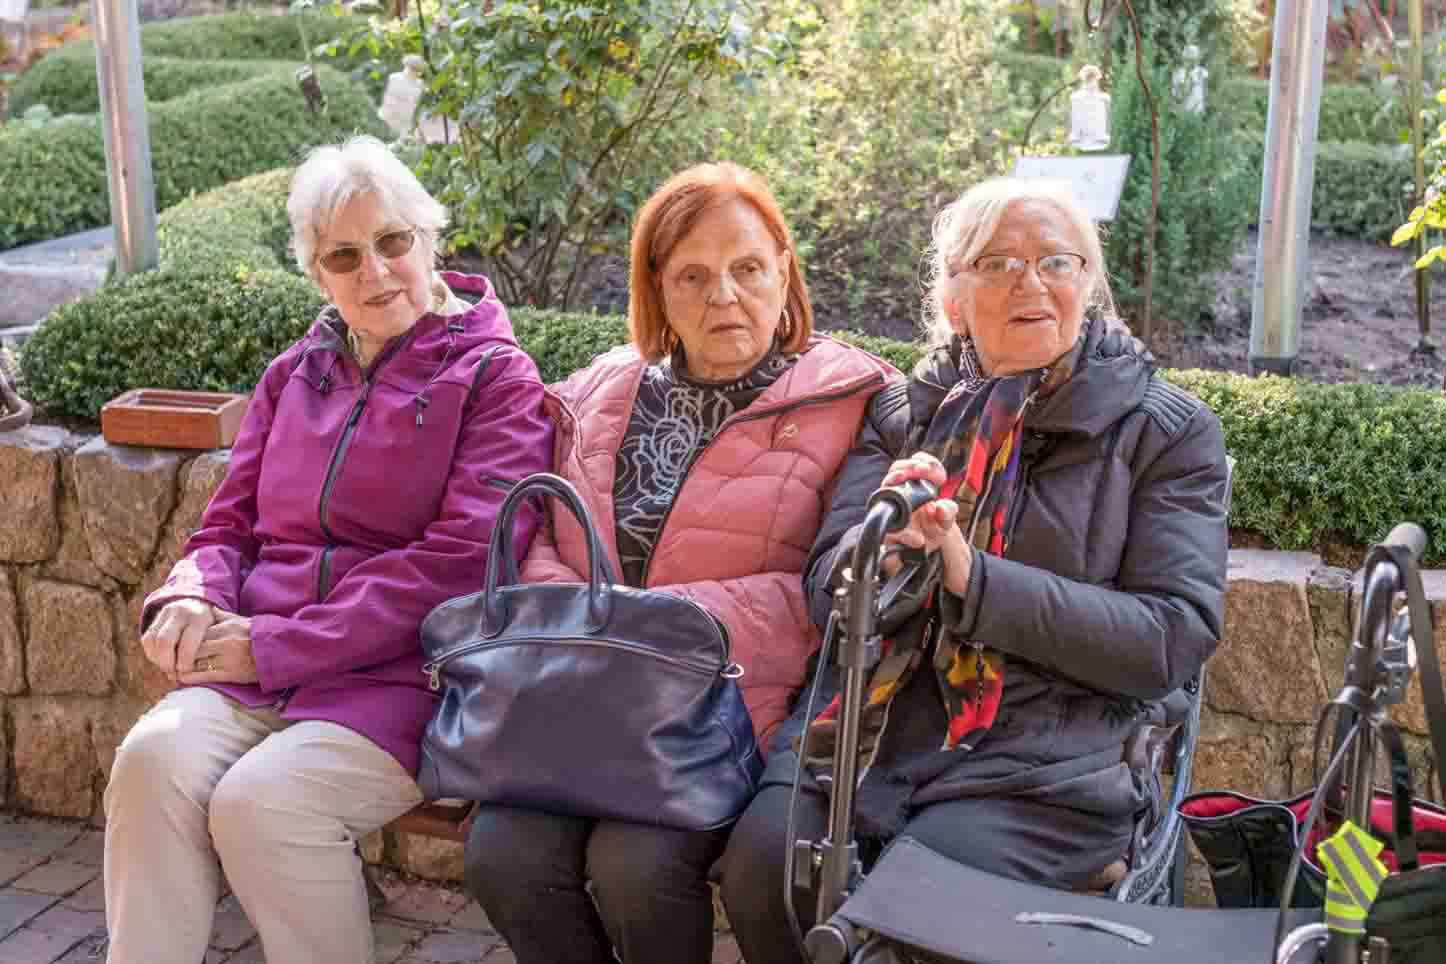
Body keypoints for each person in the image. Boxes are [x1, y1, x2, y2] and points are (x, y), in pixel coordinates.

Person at [717, 176, 1232, 964]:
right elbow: (830, 593)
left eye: (1057, 261)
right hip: (864, 731)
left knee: (914, 920)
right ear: (953, 300)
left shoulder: (1165, 431)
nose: (1032, 282)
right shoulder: (904, 412)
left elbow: (1169, 639)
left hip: (1045, 765)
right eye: (998, 264)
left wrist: (970, 577)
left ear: (1087, 287)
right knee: (763, 873)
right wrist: (884, 553)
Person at [103, 135, 555, 964]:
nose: (374, 271)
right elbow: (226, 526)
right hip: (259, 664)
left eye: (392, 241)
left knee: (265, 803)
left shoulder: (497, 380)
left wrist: (278, 644)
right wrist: (191, 594)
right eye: (344, 256)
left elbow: (461, 566)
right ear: (318, 274)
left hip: (406, 681)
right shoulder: (294, 374)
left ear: (430, 239)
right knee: (151, 759)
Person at [461, 161, 901, 964]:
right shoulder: (598, 391)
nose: (723, 296)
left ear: (784, 272)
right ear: (658, 289)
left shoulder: (853, 399)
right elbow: (544, 542)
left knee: (635, 865)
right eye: (693, 276)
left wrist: (646, 630)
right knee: (503, 857)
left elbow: (819, 591)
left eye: (747, 269)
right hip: (584, 697)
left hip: (732, 711)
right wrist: (594, 630)